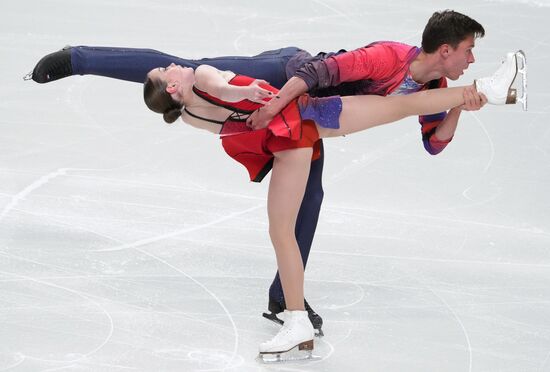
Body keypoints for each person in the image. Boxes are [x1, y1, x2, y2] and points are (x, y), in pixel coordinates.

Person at [27, 10, 488, 337]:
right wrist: (270, 104)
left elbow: (434, 142)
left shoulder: (435, 86)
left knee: (310, 201)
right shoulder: (386, 57)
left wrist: (461, 105)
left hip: (311, 118)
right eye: (467, 51)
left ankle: (283, 299)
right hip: (282, 79)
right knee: (188, 69)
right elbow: (314, 70)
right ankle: (80, 58)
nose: (470, 59)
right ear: (445, 49)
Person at [141, 53, 520, 359]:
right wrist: (250, 95)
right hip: (302, 123)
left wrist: (251, 98)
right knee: (405, 106)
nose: (175, 63)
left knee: (281, 231)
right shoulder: (202, 78)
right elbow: (222, 85)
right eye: (167, 68)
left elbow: (231, 101)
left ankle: (296, 320)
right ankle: (296, 321)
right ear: (173, 86)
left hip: (295, 134)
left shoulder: (188, 115)